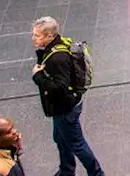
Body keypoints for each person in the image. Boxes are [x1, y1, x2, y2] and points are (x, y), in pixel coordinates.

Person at [30, 16, 101, 175]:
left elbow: (60, 87)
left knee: (77, 144)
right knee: (60, 139)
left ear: (49, 36)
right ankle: (66, 170)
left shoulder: (57, 58)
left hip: (65, 109)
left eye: (37, 35)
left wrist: (38, 76)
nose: (33, 38)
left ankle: (96, 173)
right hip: (63, 107)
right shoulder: (60, 44)